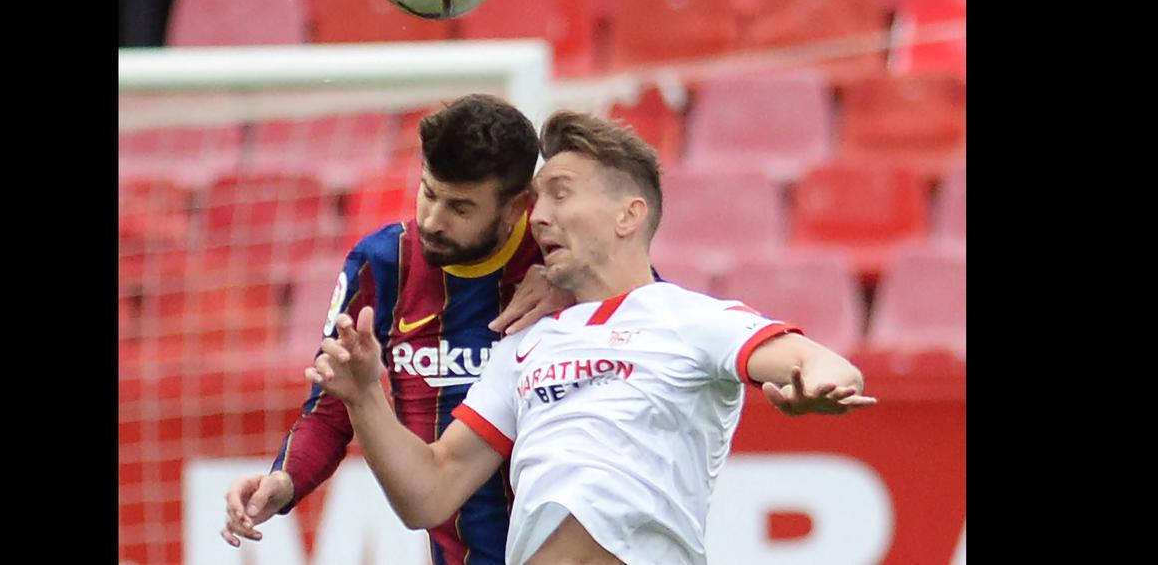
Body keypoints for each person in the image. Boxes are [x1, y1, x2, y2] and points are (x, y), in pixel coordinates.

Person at [307, 110, 878, 565]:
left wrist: (816, 384)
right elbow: (429, 493)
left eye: (560, 194)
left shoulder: (688, 319)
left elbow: (815, 361)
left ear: (628, 216)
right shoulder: (524, 345)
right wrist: (365, 398)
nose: (539, 217)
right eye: (537, 201)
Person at [220, 94, 576, 565]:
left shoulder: (562, 255)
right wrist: (283, 481)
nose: (432, 219)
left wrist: (576, 286)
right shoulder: (383, 265)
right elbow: (331, 407)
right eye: (428, 192)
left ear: (516, 208)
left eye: (460, 208)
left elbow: (653, 318)